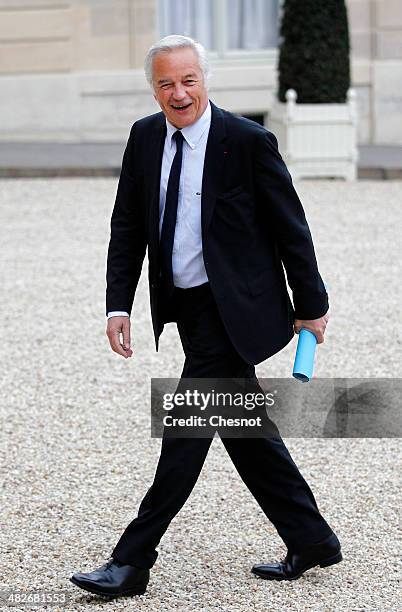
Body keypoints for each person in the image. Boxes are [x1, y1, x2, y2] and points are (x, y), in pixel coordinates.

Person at [70, 35, 341, 598]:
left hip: (236, 310)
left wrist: (310, 306)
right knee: (246, 432)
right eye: (166, 83)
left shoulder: (247, 141)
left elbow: (293, 227)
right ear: (154, 88)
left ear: (205, 80)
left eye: (188, 80)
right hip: (186, 306)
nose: (178, 93)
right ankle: (312, 538)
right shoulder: (144, 138)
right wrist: (118, 302)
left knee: (186, 429)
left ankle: (132, 559)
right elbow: (127, 226)